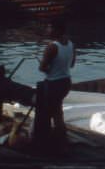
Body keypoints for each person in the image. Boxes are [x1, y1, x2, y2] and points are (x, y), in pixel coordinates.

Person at [32, 17, 75, 152]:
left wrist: (44, 65)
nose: (47, 30)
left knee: (51, 113)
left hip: (53, 84)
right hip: (66, 82)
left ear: (57, 30)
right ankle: (60, 140)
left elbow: (43, 68)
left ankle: (55, 142)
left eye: (50, 27)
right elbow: (72, 64)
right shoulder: (71, 44)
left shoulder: (52, 47)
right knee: (57, 111)